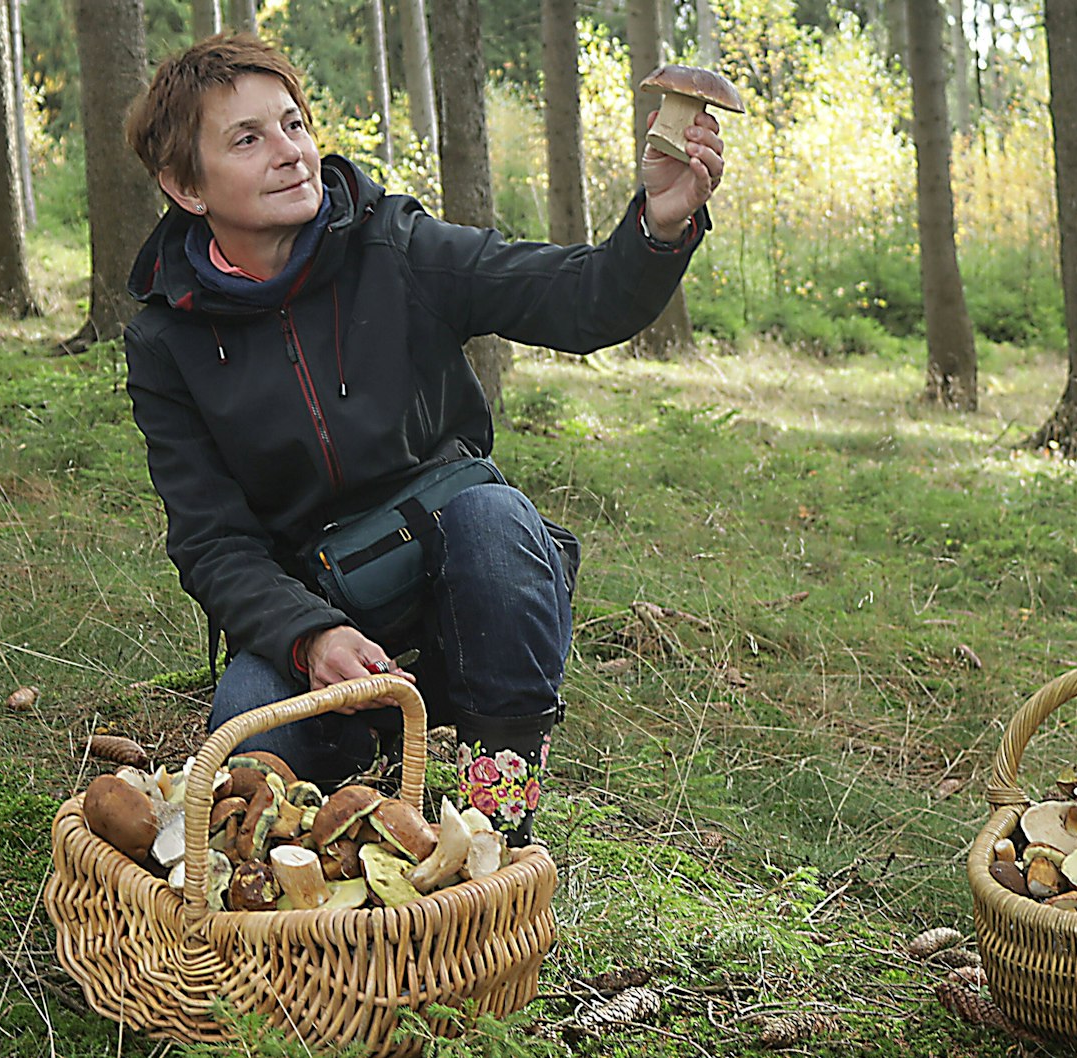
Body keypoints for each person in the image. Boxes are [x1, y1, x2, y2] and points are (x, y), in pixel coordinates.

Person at [121, 35, 726, 846]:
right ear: (185, 186)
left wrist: (658, 222)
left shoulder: (393, 245)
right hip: (324, 616)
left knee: (493, 516)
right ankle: (339, 826)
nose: (290, 152)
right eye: (248, 139)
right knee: (247, 738)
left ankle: (497, 828)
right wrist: (311, 637)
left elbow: (578, 299)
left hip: (466, 585)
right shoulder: (167, 342)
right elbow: (212, 543)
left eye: (294, 125)